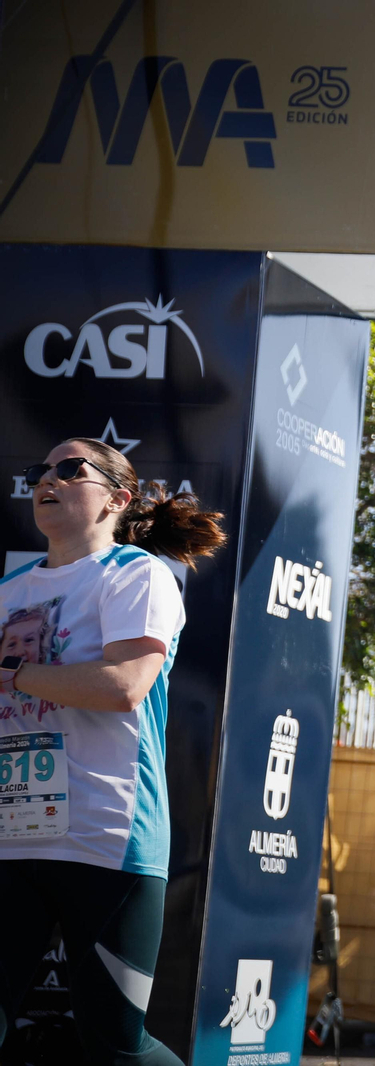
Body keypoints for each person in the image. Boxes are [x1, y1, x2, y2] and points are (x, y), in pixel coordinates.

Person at [0, 437, 226, 1066]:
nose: (48, 479)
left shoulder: (137, 573)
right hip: (11, 839)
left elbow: (125, 686)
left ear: (117, 498)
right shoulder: (6, 589)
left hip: (107, 841)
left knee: (115, 1045)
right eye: (40, 471)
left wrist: (16, 674)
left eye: (70, 469)